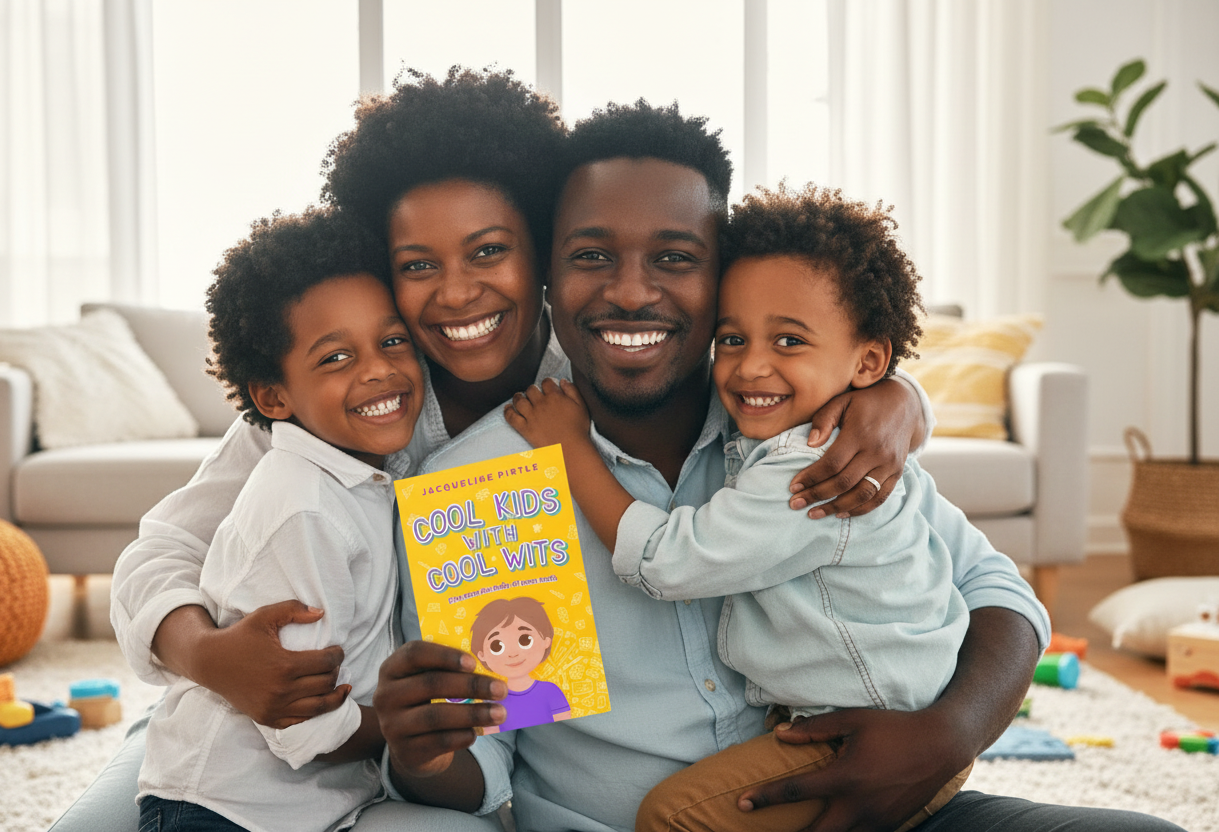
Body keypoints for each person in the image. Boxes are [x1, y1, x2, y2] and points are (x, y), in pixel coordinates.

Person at [55, 69, 925, 832]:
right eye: (418, 265)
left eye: (489, 251)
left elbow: (942, 548)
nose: (459, 292)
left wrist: (897, 399)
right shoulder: (329, 408)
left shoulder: (644, 371)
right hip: (240, 735)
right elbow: (163, 552)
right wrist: (206, 656)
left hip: (377, 752)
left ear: (539, 254)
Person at [374, 101, 1185, 832]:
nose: (631, 292)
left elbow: (994, 588)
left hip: (889, 808)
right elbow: (485, 765)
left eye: (675, 258)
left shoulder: (808, 423)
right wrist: (424, 751)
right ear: (548, 273)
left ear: (722, 272)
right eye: (591, 256)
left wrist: (947, 735)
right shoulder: (481, 486)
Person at [505, 182, 975, 831]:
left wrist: (568, 449)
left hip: (872, 735)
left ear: (869, 361)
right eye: (731, 340)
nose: (751, 367)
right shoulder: (797, 432)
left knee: (670, 817)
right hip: (858, 714)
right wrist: (899, 396)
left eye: (788, 342)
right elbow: (507, 710)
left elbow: (668, 560)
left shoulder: (818, 467)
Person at [134, 206, 423, 832]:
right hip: (221, 810)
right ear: (273, 397)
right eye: (336, 357)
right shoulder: (304, 508)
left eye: (392, 341)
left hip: (307, 806)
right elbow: (304, 725)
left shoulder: (361, 475)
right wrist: (408, 727)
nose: (378, 369)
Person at [470, 596, 572, 733]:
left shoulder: (550, 691)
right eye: (497, 646)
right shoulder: (492, 702)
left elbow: (565, 728)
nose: (512, 654)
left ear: (546, 641)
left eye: (525, 639)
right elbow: (492, 736)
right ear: (481, 654)